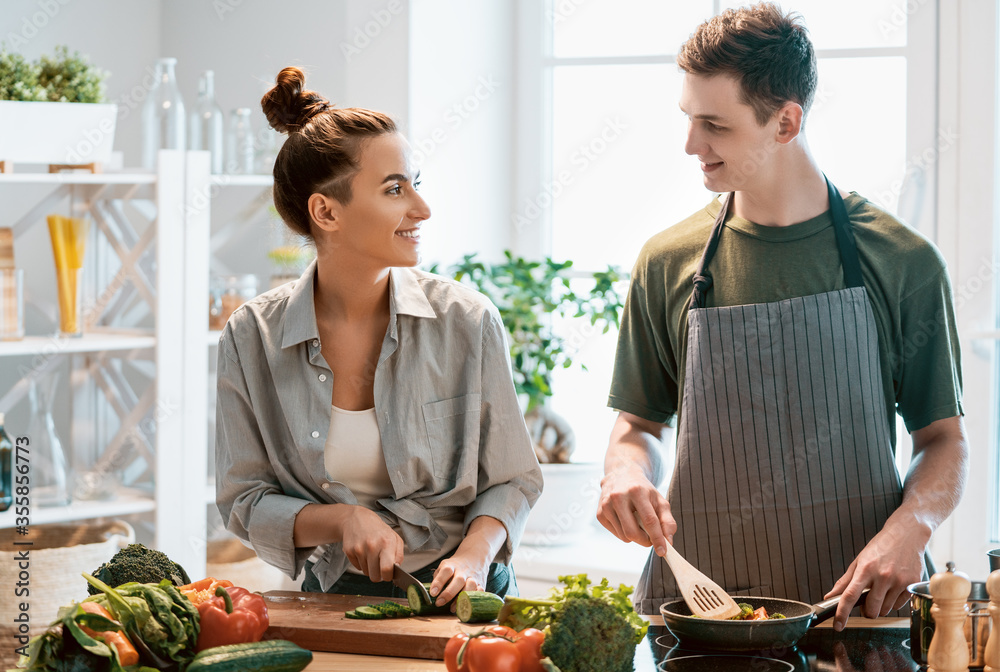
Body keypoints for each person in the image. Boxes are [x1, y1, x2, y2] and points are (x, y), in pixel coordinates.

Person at [597, 3, 968, 631]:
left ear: (786, 122)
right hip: (698, 613)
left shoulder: (902, 261)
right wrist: (622, 473)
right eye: (688, 119)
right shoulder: (666, 262)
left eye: (714, 125)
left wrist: (913, 525)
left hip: (857, 613)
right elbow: (638, 424)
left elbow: (943, 441)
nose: (691, 144)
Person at [215, 66, 542, 606]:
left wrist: (475, 554)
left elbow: (513, 478)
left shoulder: (467, 320)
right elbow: (244, 500)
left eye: (417, 183)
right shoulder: (251, 336)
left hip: (468, 594)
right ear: (326, 212)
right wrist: (342, 521)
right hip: (335, 598)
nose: (421, 208)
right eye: (395, 189)